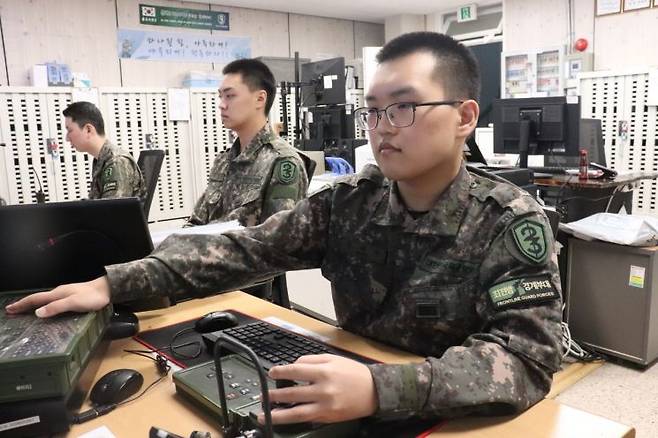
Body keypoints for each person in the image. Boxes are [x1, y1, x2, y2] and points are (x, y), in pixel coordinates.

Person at [7, 32, 562, 425]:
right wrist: (113, 284)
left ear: (464, 117)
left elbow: (527, 360)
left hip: (448, 417)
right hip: (345, 393)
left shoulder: (508, 221)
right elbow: (242, 250)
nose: (380, 128)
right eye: (372, 111)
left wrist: (381, 388)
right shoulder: (348, 204)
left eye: (403, 109)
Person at [184, 59, 308, 227]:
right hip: (205, 249)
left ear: (260, 99)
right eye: (220, 96)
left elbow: (277, 239)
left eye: (230, 96)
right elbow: (197, 221)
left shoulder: (282, 162)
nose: (221, 105)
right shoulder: (224, 161)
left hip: (240, 252)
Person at [63, 102, 145, 200]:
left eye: (70, 130)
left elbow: (110, 211)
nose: (67, 138)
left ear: (88, 130)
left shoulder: (116, 162)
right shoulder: (102, 159)